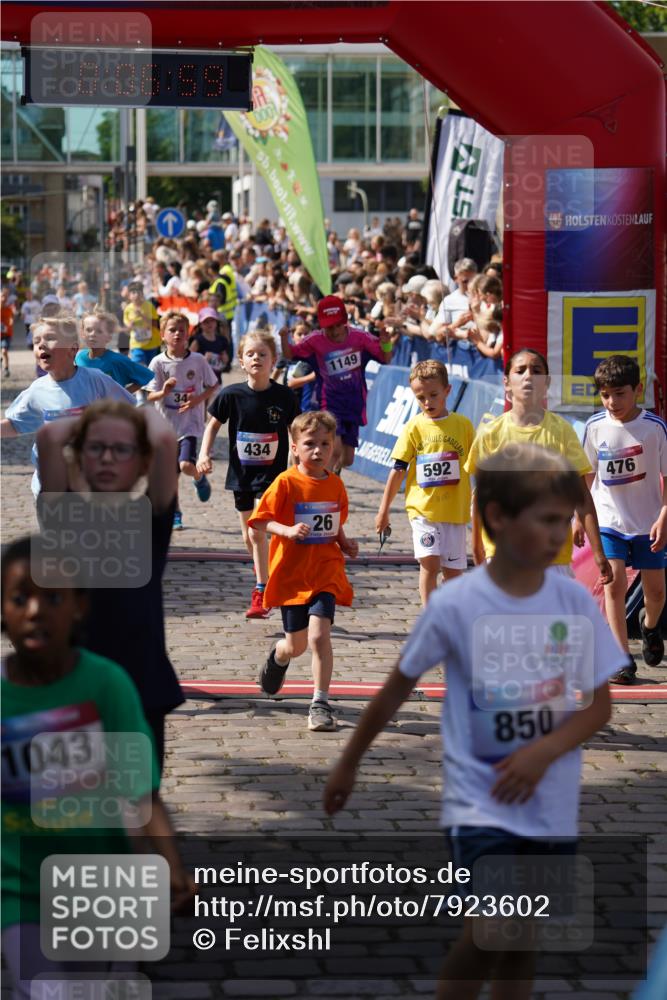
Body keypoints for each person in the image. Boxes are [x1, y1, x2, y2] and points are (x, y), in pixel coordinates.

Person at [324, 444, 625, 1000]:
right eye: (548, 521)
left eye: (566, 521)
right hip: (480, 803)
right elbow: (395, 689)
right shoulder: (457, 603)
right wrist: (348, 762)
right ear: (497, 520)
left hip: (551, 804)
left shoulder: (575, 604)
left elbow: (600, 705)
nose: (562, 535)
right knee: (490, 931)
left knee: (523, 940)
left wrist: (542, 752)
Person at [1, 535, 193, 1000]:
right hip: (19, 892)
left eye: (53, 597)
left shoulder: (106, 685)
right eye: (20, 597)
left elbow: (141, 789)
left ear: (80, 607)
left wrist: (169, 863)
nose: (35, 611)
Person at [35, 400, 184, 769]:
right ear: (80, 456)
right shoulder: (62, 514)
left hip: (139, 684)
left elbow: (165, 438)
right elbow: (49, 435)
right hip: (71, 685)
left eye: (122, 450)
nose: (107, 459)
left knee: (136, 805)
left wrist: (137, 411)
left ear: (142, 462)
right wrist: (93, 421)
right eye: (96, 448)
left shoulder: (150, 518)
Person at [465, 348, 612, 587]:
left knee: (552, 623)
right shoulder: (490, 434)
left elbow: (582, 497)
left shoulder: (562, 431)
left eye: (536, 371)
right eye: (520, 370)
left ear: (547, 383)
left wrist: (598, 552)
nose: (528, 376)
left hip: (552, 553)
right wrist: (476, 548)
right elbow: (481, 497)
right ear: (507, 383)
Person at [249, 411, 358, 732]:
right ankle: (279, 656)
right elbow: (260, 520)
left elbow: (336, 524)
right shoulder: (286, 482)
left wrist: (345, 542)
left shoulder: (336, 485)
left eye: (325, 444)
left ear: (333, 448)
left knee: (319, 636)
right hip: (293, 575)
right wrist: (285, 530)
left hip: (325, 570)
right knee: (295, 645)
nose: (318, 450)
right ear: (294, 447)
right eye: (310, 444)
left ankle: (320, 702)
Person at [197, 330, 298, 618]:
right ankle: (262, 568)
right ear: (241, 361)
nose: (257, 358)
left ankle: (261, 591)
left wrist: (296, 460)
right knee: (248, 534)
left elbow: (294, 431)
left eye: (262, 354)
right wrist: (204, 454)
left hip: (272, 476)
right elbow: (213, 426)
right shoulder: (232, 394)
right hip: (241, 474)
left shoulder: (284, 396)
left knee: (257, 530)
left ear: (273, 360)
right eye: (250, 354)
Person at [581, 355, 667, 683]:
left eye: (619, 393)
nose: (612, 402)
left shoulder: (654, 429)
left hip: (648, 522)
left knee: (656, 592)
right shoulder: (594, 427)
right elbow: (586, 478)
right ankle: (621, 658)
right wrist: (579, 518)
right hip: (609, 520)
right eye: (605, 395)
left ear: (638, 390)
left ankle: (649, 626)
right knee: (613, 585)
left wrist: (663, 515)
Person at [376, 361, 474, 605]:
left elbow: (477, 465)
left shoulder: (463, 426)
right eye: (421, 397)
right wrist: (383, 511)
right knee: (429, 562)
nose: (427, 402)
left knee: (453, 573)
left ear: (447, 391)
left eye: (433, 395)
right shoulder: (414, 427)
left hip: (454, 512)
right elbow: (398, 470)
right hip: (423, 510)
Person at [0, 317, 135, 496]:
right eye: (36, 341)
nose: (41, 345)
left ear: (72, 349)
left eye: (49, 338)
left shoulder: (94, 379)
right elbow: (15, 424)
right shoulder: (37, 390)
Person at [280, 294, 394, 474]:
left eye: (337, 325)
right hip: (329, 404)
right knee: (335, 451)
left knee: (346, 459)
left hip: (354, 405)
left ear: (345, 321)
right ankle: (317, 483)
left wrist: (386, 343)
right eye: (329, 327)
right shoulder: (315, 340)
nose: (334, 331)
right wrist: (283, 338)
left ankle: (322, 477)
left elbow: (385, 358)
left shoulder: (360, 338)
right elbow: (289, 354)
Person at [146, 311, 218, 530]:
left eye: (181, 330)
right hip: (166, 428)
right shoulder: (158, 362)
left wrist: (198, 400)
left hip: (190, 425)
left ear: (188, 334)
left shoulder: (197, 360)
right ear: (163, 335)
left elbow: (213, 385)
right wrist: (164, 391)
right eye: (172, 330)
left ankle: (198, 478)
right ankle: (175, 513)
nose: (177, 334)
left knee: (185, 465)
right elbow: (149, 395)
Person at [75, 310, 153, 392]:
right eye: (88, 330)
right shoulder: (79, 357)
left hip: (109, 405)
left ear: (109, 337)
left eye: (99, 331)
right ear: (82, 334)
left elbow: (147, 375)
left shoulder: (117, 360)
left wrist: (123, 395)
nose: (92, 334)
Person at [122, 280, 161, 366]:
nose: (137, 295)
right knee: (137, 365)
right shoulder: (128, 309)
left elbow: (155, 324)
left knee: (152, 368)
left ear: (142, 293)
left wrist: (142, 316)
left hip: (151, 343)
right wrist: (130, 326)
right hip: (136, 344)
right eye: (133, 292)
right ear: (129, 295)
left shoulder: (149, 306)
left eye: (139, 292)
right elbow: (127, 329)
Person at [188, 306, 231, 381]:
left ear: (216, 322)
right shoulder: (198, 340)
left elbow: (225, 360)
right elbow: (188, 359)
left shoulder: (221, 340)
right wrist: (203, 359)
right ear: (200, 324)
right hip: (200, 381)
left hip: (216, 380)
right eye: (206, 322)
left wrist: (225, 359)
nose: (209, 324)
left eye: (212, 321)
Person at [1, 286, 15, 376]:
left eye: (5, 296)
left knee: (4, 351)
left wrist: (11, 321)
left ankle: (6, 369)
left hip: (6, 334)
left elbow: (12, 316)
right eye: (2, 296)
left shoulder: (9, 307)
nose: (4, 298)